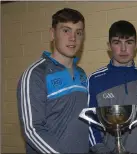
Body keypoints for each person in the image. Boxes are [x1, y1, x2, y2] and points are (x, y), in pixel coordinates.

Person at [16, 8, 89, 153]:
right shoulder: (35, 74)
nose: (73, 38)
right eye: (66, 30)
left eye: (78, 32)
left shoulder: (82, 74)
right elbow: (32, 129)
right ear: (52, 33)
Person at [88, 20, 137, 153]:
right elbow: (90, 123)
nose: (123, 49)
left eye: (129, 42)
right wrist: (101, 150)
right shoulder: (95, 80)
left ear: (136, 45)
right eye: (117, 42)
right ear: (109, 46)